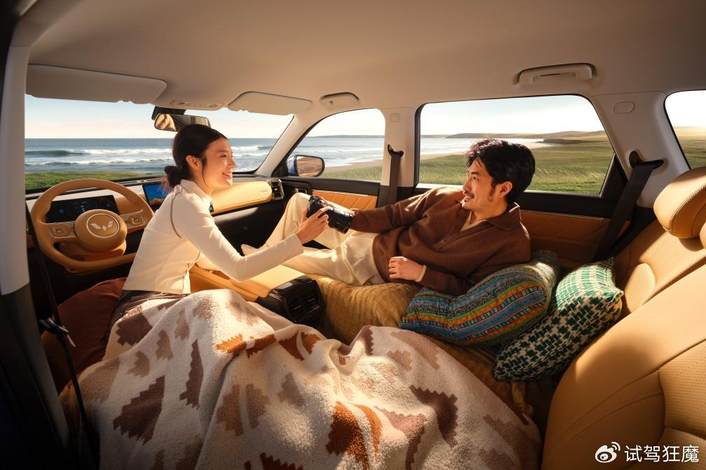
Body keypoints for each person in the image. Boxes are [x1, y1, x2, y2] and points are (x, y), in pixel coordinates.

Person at [246, 138, 535, 296]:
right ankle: (259, 260)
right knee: (301, 202)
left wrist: (421, 274)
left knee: (275, 257)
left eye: (475, 178)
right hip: (370, 238)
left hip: (369, 267)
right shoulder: (448, 196)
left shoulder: (512, 243)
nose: (465, 186)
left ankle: (251, 267)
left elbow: (474, 292)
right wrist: (345, 218)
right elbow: (394, 214)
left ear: (503, 188)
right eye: (467, 176)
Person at [111, 124, 330, 330]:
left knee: (259, 318)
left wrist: (267, 252)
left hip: (168, 301)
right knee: (253, 319)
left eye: (231, 156)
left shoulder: (187, 199)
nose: (233, 164)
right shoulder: (187, 204)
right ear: (194, 162)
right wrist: (299, 238)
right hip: (147, 307)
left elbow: (209, 261)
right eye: (224, 156)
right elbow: (238, 270)